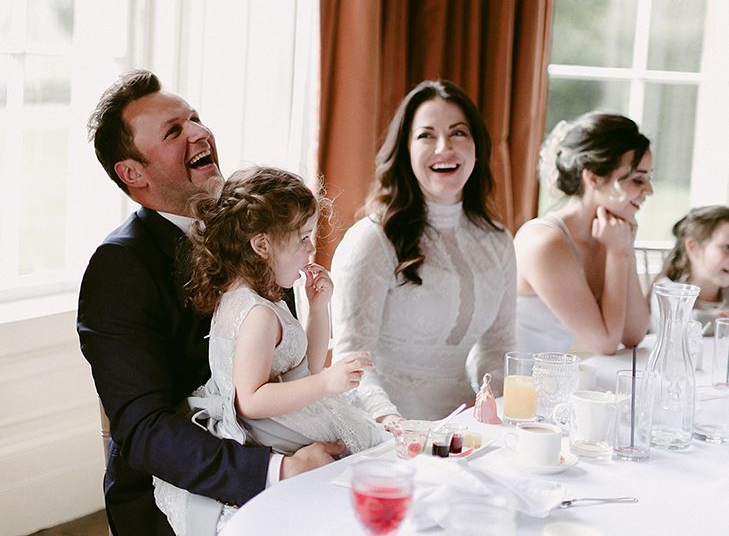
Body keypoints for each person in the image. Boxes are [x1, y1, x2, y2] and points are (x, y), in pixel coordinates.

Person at [77, 70, 344, 536]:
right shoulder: (119, 268)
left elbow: (286, 363)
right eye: (173, 131)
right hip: (182, 491)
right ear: (133, 173)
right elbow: (146, 430)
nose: (199, 133)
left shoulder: (252, 231)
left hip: (286, 441)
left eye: (195, 118)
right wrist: (278, 471)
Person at [153, 166, 385, 534]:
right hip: (271, 427)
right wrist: (327, 384)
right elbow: (252, 400)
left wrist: (319, 307)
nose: (312, 248)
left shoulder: (259, 299)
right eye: (303, 238)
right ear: (261, 245)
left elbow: (300, 367)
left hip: (283, 416)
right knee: (371, 454)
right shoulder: (257, 314)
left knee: (376, 452)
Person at [330, 79, 516, 428]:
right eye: (426, 135)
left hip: (467, 431)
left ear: (477, 147)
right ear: (405, 151)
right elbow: (351, 362)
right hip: (383, 431)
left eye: (458, 133)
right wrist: (394, 426)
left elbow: (498, 349)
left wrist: (491, 416)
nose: (444, 147)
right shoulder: (372, 239)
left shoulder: (499, 241)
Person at [514, 112, 653, 356]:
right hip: (505, 386)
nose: (649, 190)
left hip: (552, 382)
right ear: (593, 178)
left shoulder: (610, 234)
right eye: (638, 179)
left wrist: (623, 249)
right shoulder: (544, 242)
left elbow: (633, 335)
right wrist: (619, 254)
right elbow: (605, 343)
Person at [651, 205, 729, 336]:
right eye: (727, 247)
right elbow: (679, 326)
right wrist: (717, 319)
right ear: (693, 248)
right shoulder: (667, 290)